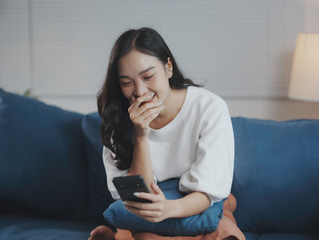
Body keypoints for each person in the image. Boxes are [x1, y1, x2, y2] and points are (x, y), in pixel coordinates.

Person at [89, 27, 234, 240]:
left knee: (223, 228)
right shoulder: (117, 119)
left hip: (198, 200)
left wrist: (169, 209)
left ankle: (117, 236)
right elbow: (138, 196)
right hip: (148, 208)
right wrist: (141, 135)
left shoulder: (209, 108)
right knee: (147, 235)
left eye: (148, 76)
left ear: (168, 67)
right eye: (126, 83)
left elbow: (208, 191)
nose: (139, 91)